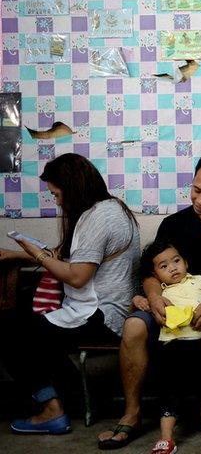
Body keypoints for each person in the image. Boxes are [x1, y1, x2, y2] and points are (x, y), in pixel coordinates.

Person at [97, 146, 201, 448]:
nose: (200, 200)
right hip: (171, 300)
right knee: (134, 326)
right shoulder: (174, 225)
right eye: (196, 190)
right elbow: (149, 272)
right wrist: (153, 295)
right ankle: (131, 414)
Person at [0, 153, 140, 435]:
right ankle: (72, 395)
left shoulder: (102, 216)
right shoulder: (107, 210)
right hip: (93, 310)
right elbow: (70, 258)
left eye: (56, 194)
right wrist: (16, 254)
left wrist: (36, 253)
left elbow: (77, 276)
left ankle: (52, 409)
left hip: (102, 315)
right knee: (20, 320)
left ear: (73, 187)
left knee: (7, 328)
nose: (58, 201)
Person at [135, 241, 201, 454]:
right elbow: (140, 304)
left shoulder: (199, 282)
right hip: (170, 347)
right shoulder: (160, 293)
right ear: (154, 274)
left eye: (176, 261)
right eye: (163, 266)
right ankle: (166, 438)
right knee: (167, 390)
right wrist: (137, 299)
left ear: (186, 262)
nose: (172, 267)